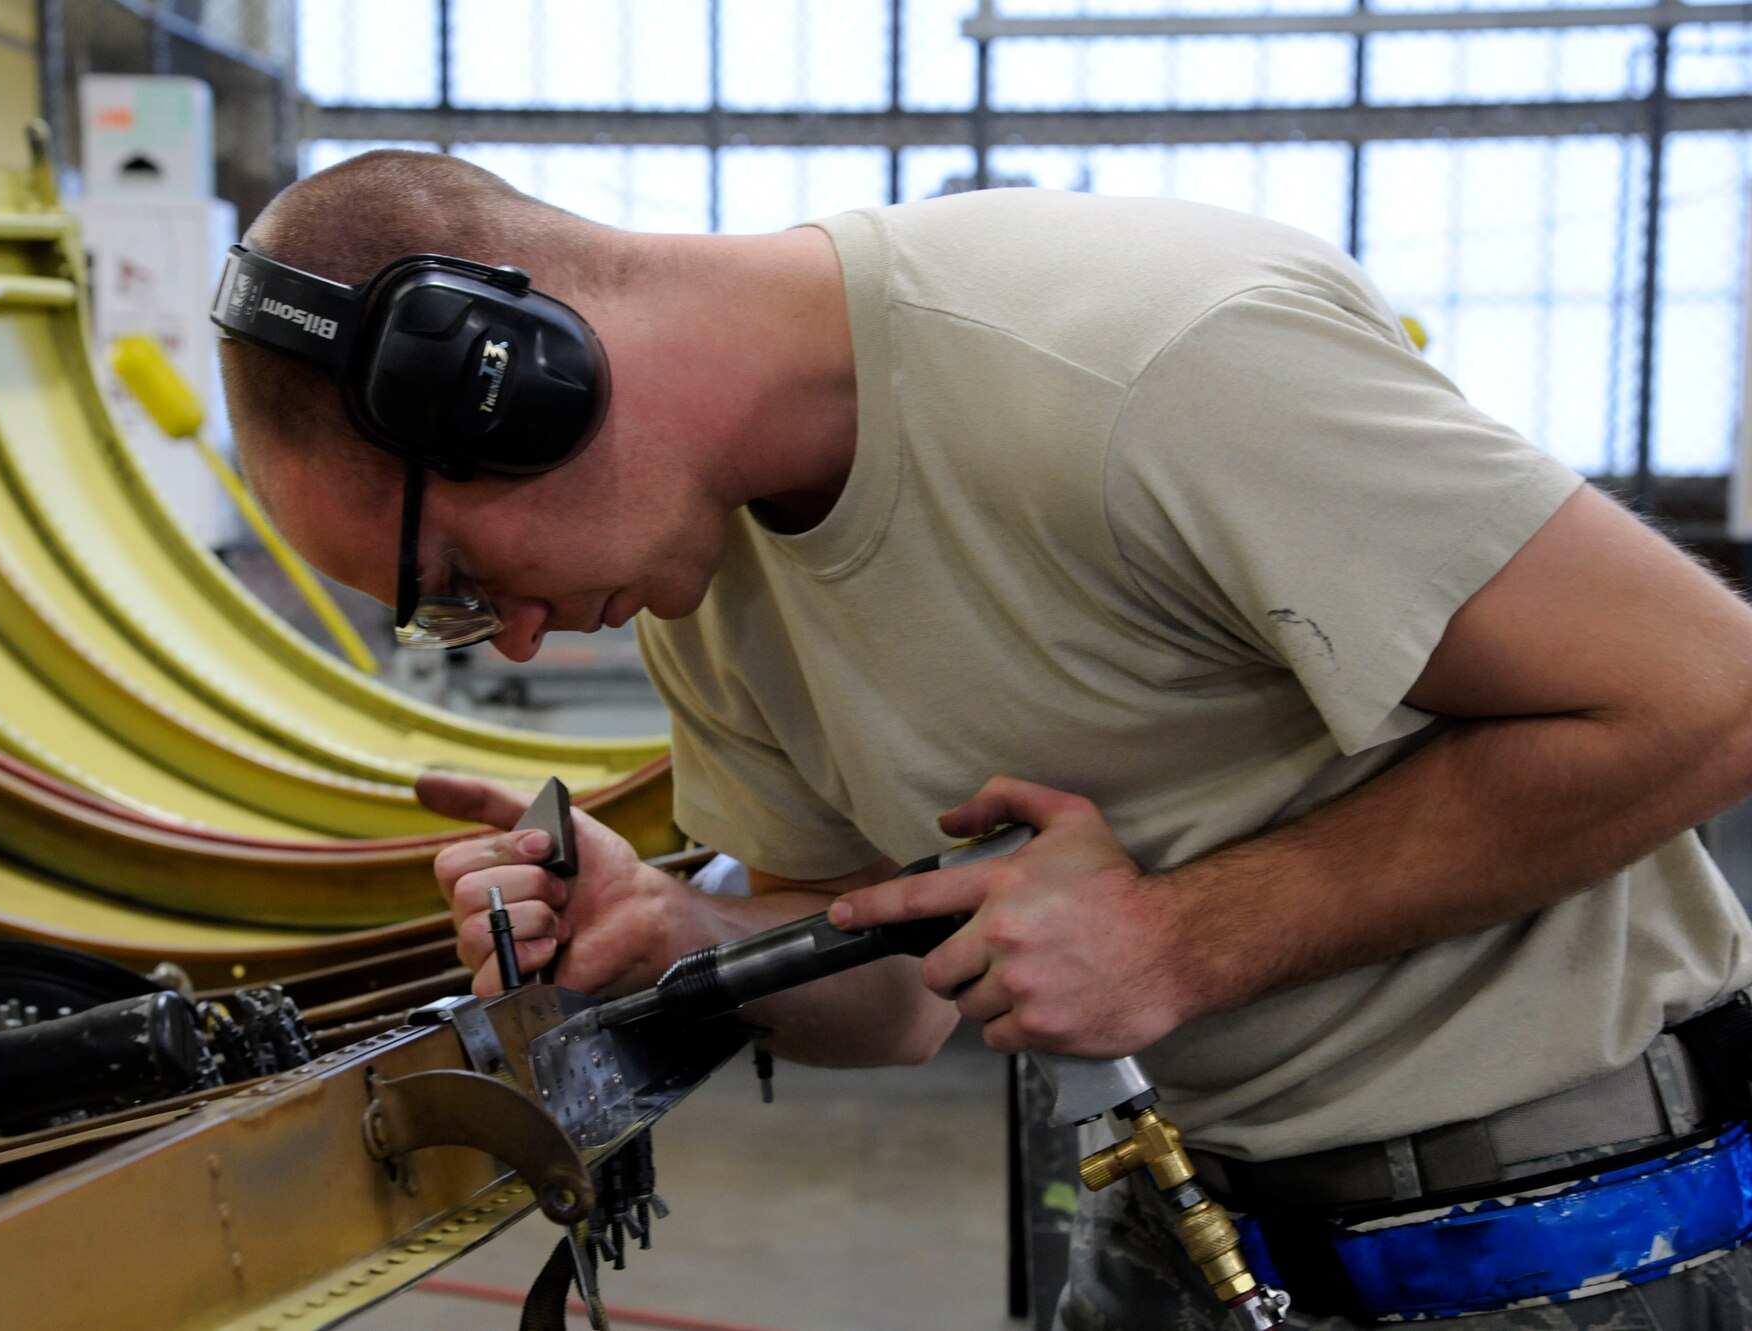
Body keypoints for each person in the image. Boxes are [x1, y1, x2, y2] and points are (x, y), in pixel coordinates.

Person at [215, 148, 1752, 1328]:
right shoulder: (698, 585)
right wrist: (687, 931)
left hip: (1567, 1231)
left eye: (468, 586)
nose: (526, 637)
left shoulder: (1140, 364)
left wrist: (1187, 939)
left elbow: (1709, 691)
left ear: (514, 380)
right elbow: (898, 1011)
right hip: (1187, 1211)